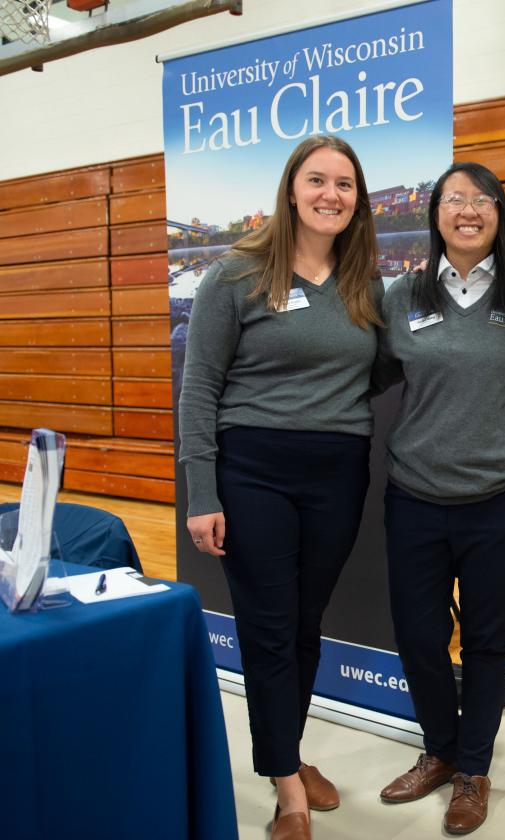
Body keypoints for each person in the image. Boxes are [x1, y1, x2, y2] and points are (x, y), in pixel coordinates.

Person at [179, 135, 382, 840]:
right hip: (253, 470)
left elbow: (382, 370)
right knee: (268, 631)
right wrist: (202, 491)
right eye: (317, 180)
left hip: (337, 473)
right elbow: (200, 388)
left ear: (358, 200)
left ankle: (288, 755)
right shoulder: (235, 276)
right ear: (291, 190)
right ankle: (287, 791)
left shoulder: (364, 285)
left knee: (303, 627)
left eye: (345, 185)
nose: (331, 194)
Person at [376, 162, 505, 835]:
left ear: (500, 215)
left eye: (483, 200)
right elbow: (366, 372)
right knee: (420, 638)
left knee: (488, 639)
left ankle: (473, 768)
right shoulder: (405, 295)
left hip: (499, 501)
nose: (469, 211)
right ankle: (441, 750)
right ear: (436, 216)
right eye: (455, 199)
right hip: (415, 497)